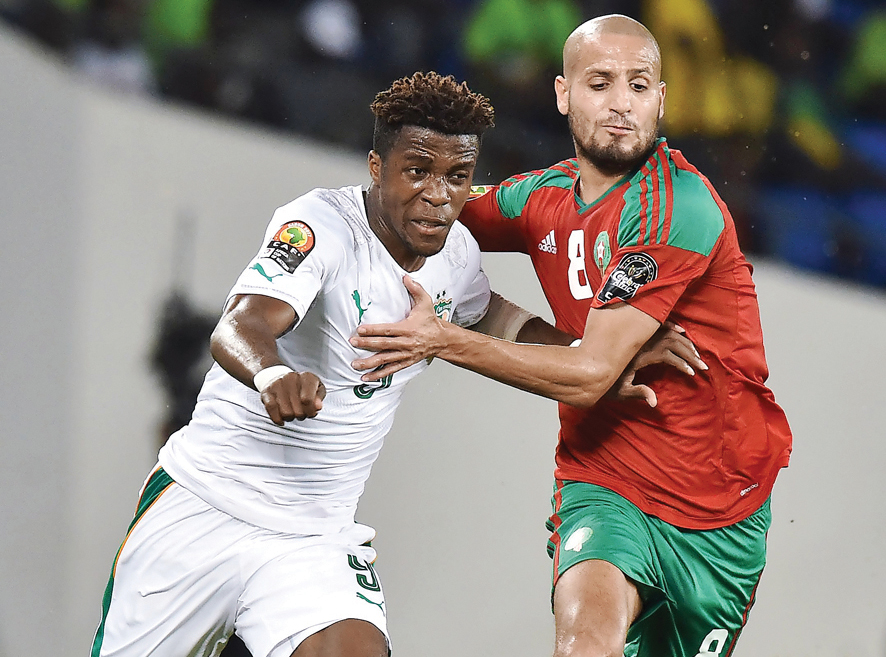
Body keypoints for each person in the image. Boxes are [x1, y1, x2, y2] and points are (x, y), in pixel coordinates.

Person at [90, 70, 701, 657]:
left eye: (458, 177)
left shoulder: (455, 254)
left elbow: (500, 321)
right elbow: (240, 324)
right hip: (204, 507)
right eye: (417, 171)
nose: (438, 195)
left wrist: (599, 357)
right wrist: (273, 375)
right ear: (376, 167)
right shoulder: (320, 225)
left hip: (313, 540)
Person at [350, 16, 793, 657]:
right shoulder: (543, 198)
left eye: (638, 85)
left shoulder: (679, 207)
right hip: (604, 480)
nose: (621, 104)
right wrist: (329, 225)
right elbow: (423, 206)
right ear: (563, 94)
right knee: (585, 646)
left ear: (661, 99)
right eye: (600, 83)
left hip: (720, 513)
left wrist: (440, 338)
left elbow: (591, 376)